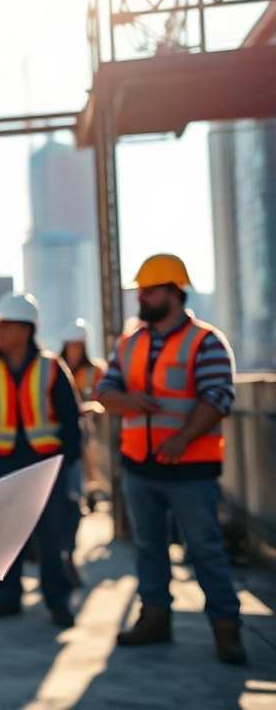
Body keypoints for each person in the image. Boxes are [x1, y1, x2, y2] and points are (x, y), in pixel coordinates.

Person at [97, 254, 245, 665]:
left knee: (204, 549)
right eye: (140, 290)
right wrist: (127, 399)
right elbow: (104, 390)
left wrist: (182, 438)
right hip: (139, 467)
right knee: (148, 547)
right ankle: (155, 618)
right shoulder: (128, 343)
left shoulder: (206, 341)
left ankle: (227, 631)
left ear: (174, 292)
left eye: (149, 290)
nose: (141, 297)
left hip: (190, 469)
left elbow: (218, 397)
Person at [0, 293, 81, 628]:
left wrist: (66, 465)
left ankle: (57, 601)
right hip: (0, 466)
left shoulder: (51, 367)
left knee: (50, 536)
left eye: (4, 325)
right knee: (5, 537)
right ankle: (8, 596)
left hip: (46, 467)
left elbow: (71, 421)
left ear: (25, 329)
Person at [59, 317, 109, 586]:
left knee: (74, 500)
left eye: (78, 345)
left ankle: (69, 557)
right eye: (70, 345)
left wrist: (92, 406)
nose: (74, 350)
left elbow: (106, 397)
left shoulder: (95, 371)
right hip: (56, 444)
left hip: (81, 441)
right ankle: (59, 557)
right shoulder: (54, 368)